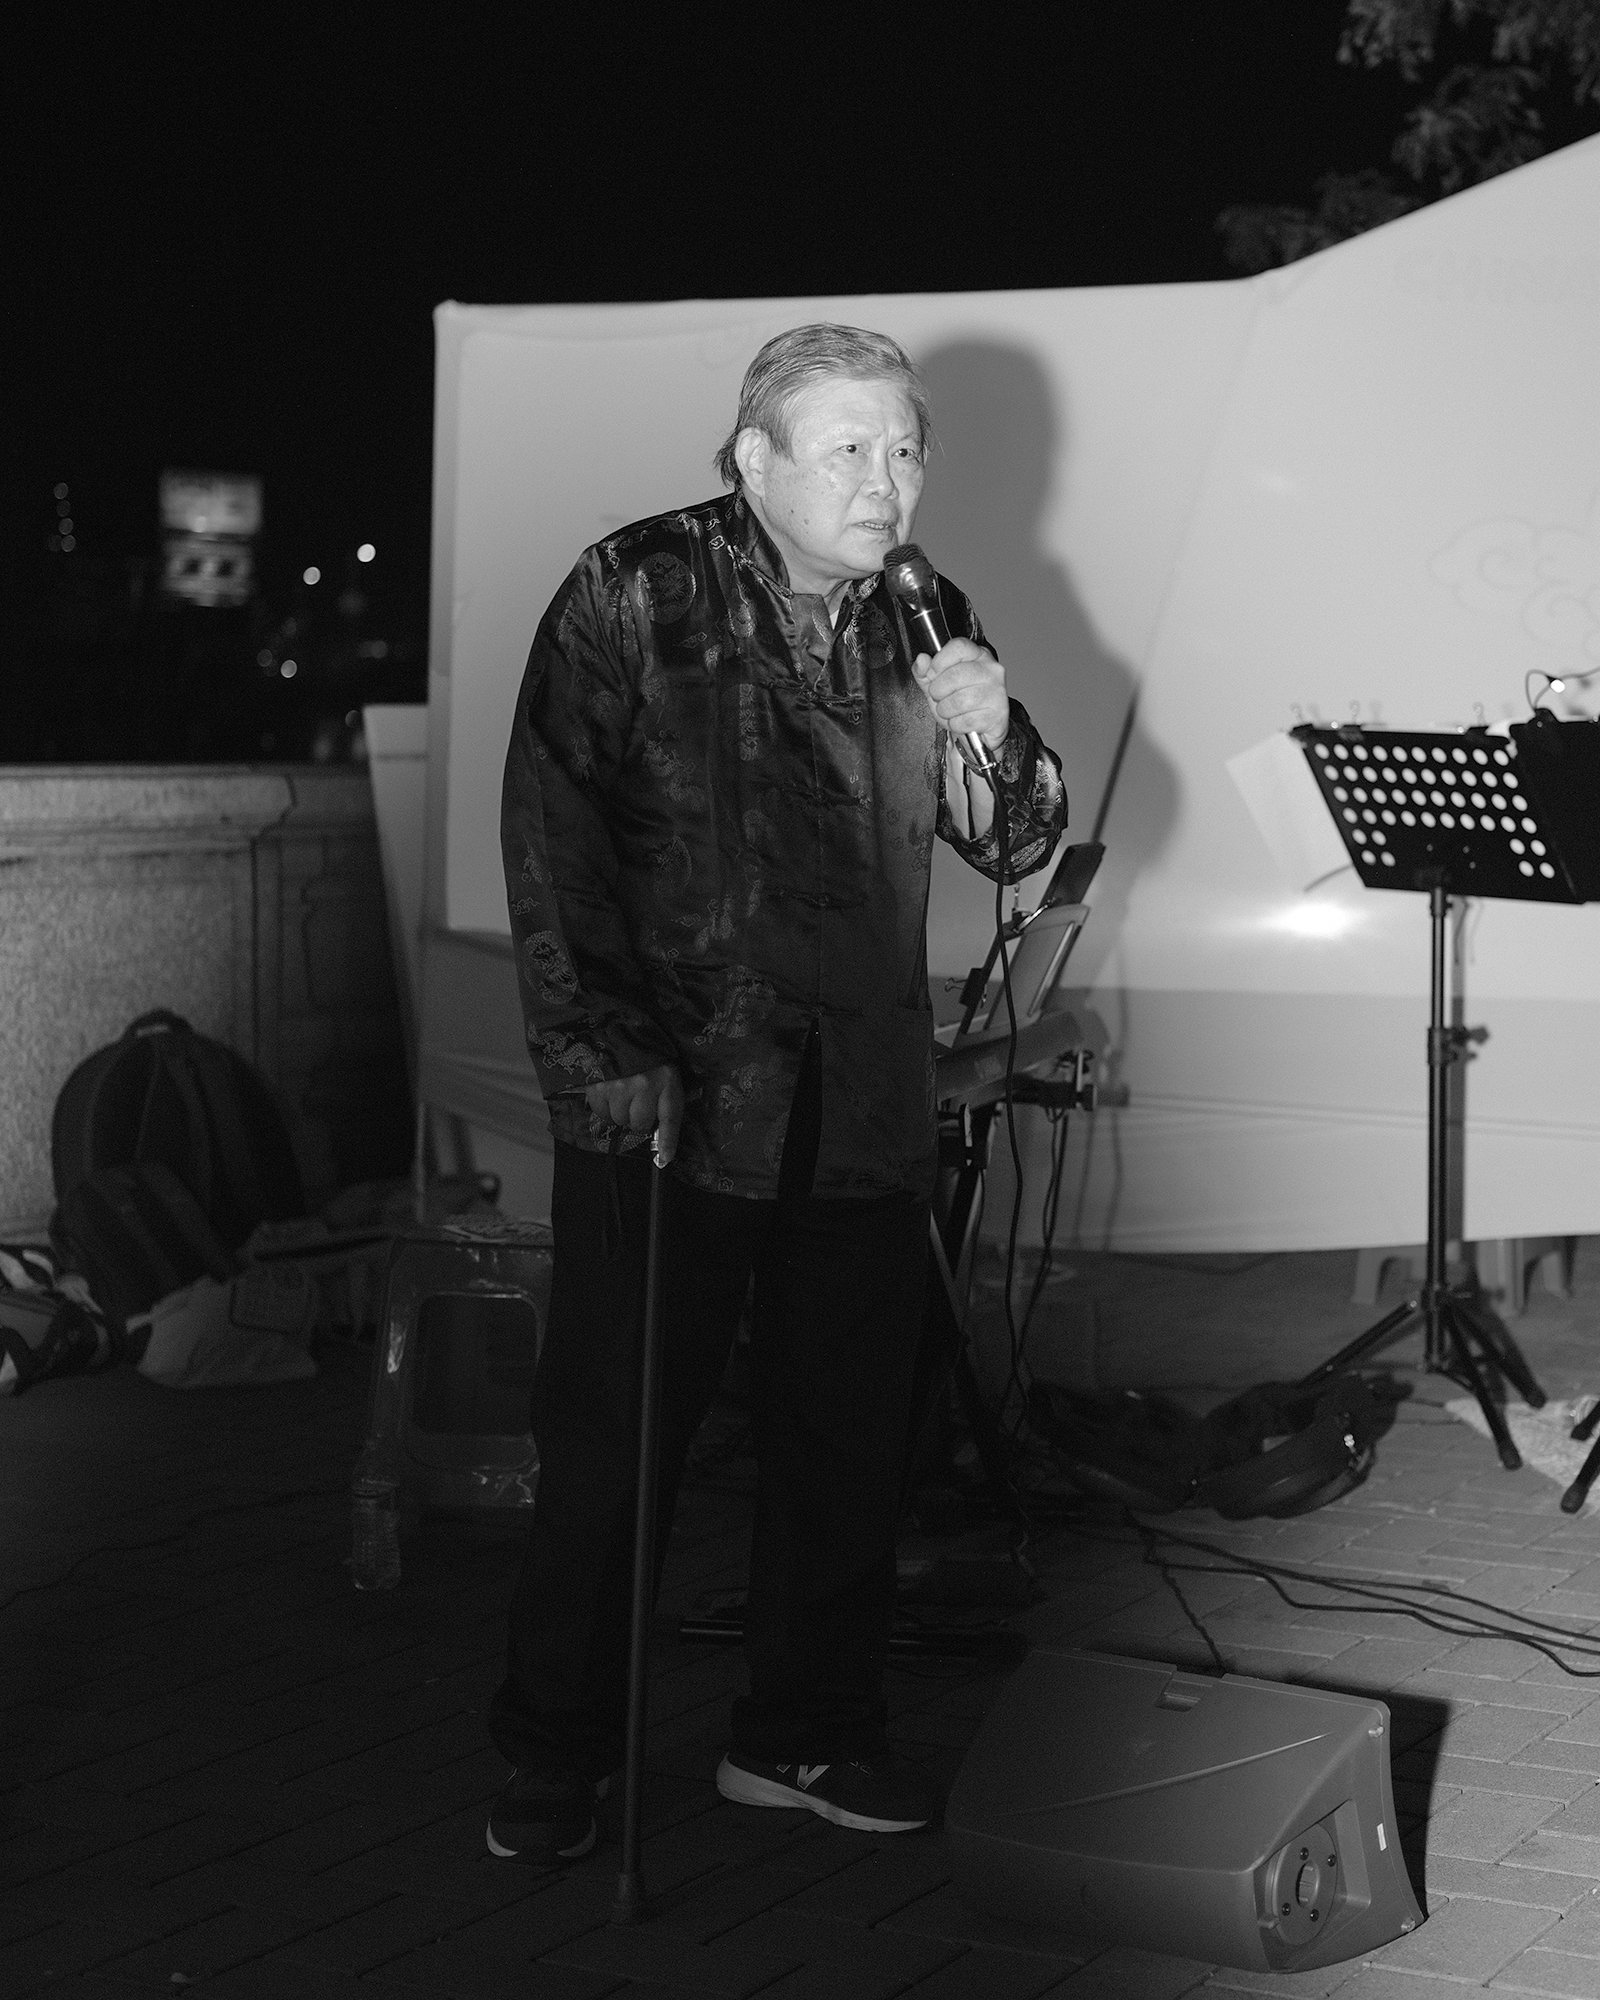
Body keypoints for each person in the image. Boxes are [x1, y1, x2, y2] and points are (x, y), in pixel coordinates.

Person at [491, 322, 1066, 1863]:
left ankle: (802, 1736)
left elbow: (1015, 839)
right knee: (621, 1439)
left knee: (843, 1439)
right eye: (851, 449)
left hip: (860, 1093)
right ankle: (556, 1747)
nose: (888, 481)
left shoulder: (918, 606)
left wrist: (988, 735)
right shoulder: (637, 588)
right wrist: (596, 1054)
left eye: (905, 448)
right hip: (670, 1089)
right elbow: (552, 838)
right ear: (754, 458)